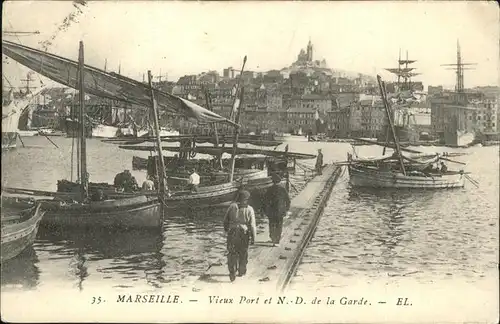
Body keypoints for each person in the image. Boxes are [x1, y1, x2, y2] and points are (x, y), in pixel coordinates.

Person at [223, 190, 256, 282]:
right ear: (246, 199)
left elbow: (225, 220)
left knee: (232, 252)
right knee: (243, 252)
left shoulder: (232, 206)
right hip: (243, 233)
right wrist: (253, 238)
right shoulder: (249, 209)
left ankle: (232, 271)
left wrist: (226, 229)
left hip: (232, 232)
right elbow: (252, 225)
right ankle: (242, 270)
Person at [263, 173, 291, 246]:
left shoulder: (269, 189)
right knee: (279, 225)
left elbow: (265, 201)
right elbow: (288, 200)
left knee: (272, 225)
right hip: (280, 211)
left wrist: (265, 210)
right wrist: (287, 209)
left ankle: (273, 239)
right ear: (279, 181)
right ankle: (277, 240)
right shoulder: (283, 189)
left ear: (273, 181)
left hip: (271, 211)